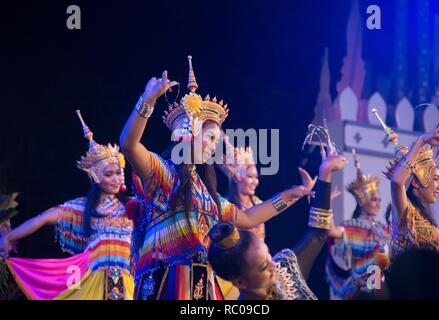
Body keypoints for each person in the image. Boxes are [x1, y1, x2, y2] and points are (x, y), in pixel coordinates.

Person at [120, 56, 314, 300]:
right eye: (210, 138)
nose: (213, 148)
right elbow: (128, 145)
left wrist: (289, 196)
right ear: (188, 134)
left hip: (201, 286)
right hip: (164, 284)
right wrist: (147, 101)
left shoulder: (207, 194)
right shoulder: (162, 175)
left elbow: (248, 217)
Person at [0, 111, 134, 300]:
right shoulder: (84, 207)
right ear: (96, 177)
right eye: (109, 174)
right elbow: (44, 218)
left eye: (118, 173)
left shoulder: (132, 206)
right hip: (94, 283)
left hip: (128, 282)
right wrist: (9, 236)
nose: (115, 178)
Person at [208, 148, 347, 300]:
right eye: (249, 176)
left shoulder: (283, 275)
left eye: (256, 176)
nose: (274, 265)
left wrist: (324, 173)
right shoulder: (225, 209)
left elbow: (318, 232)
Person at [371, 109, 439, 258]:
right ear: (416, 182)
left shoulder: (425, 220)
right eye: (435, 179)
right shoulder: (406, 216)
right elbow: (396, 182)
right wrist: (421, 141)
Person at [325, 149, 390, 300]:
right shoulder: (351, 226)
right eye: (374, 199)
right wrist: (326, 203)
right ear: (362, 201)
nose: (378, 204)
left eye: (379, 200)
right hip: (361, 291)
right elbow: (331, 231)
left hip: (382, 290)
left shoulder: (383, 228)